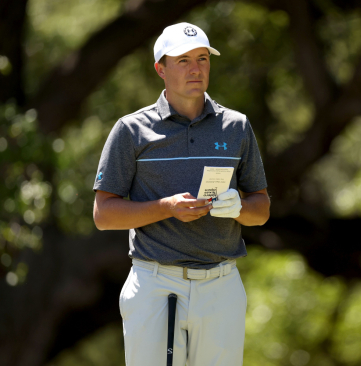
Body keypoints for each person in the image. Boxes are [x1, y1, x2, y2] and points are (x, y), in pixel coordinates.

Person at [92, 22, 270, 366]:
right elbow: (104, 214)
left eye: (202, 59)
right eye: (183, 60)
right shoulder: (131, 130)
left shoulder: (236, 126)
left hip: (222, 285)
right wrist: (167, 208)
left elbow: (260, 208)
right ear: (160, 68)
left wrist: (239, 208)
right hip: (155, 284)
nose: (195, 68)